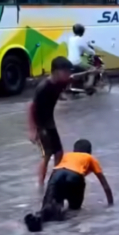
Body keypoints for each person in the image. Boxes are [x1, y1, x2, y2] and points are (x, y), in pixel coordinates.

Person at [24, 139, 114, 233]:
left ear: (74, 150)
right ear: (89, 152)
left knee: (50, 206)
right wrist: (111, 205)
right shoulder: (90, 158)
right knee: (74, 210)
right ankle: (67, 232)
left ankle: (38, 218)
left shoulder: (67, 155)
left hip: (56, 175)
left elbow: (56, 171)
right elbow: (105, 185)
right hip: (75, 177)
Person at [28, 56, 73, 190]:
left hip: (50, 124)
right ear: (56, 72)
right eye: (65, 71)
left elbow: (75, 77)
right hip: (41, 126)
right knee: (47, 155)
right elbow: (31, 107)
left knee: (59, 153)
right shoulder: (43, 87)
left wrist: (91, 73)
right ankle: (40, 185)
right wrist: (32, 130)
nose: (68, 74)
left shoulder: (60, 82)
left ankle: (55, 181)